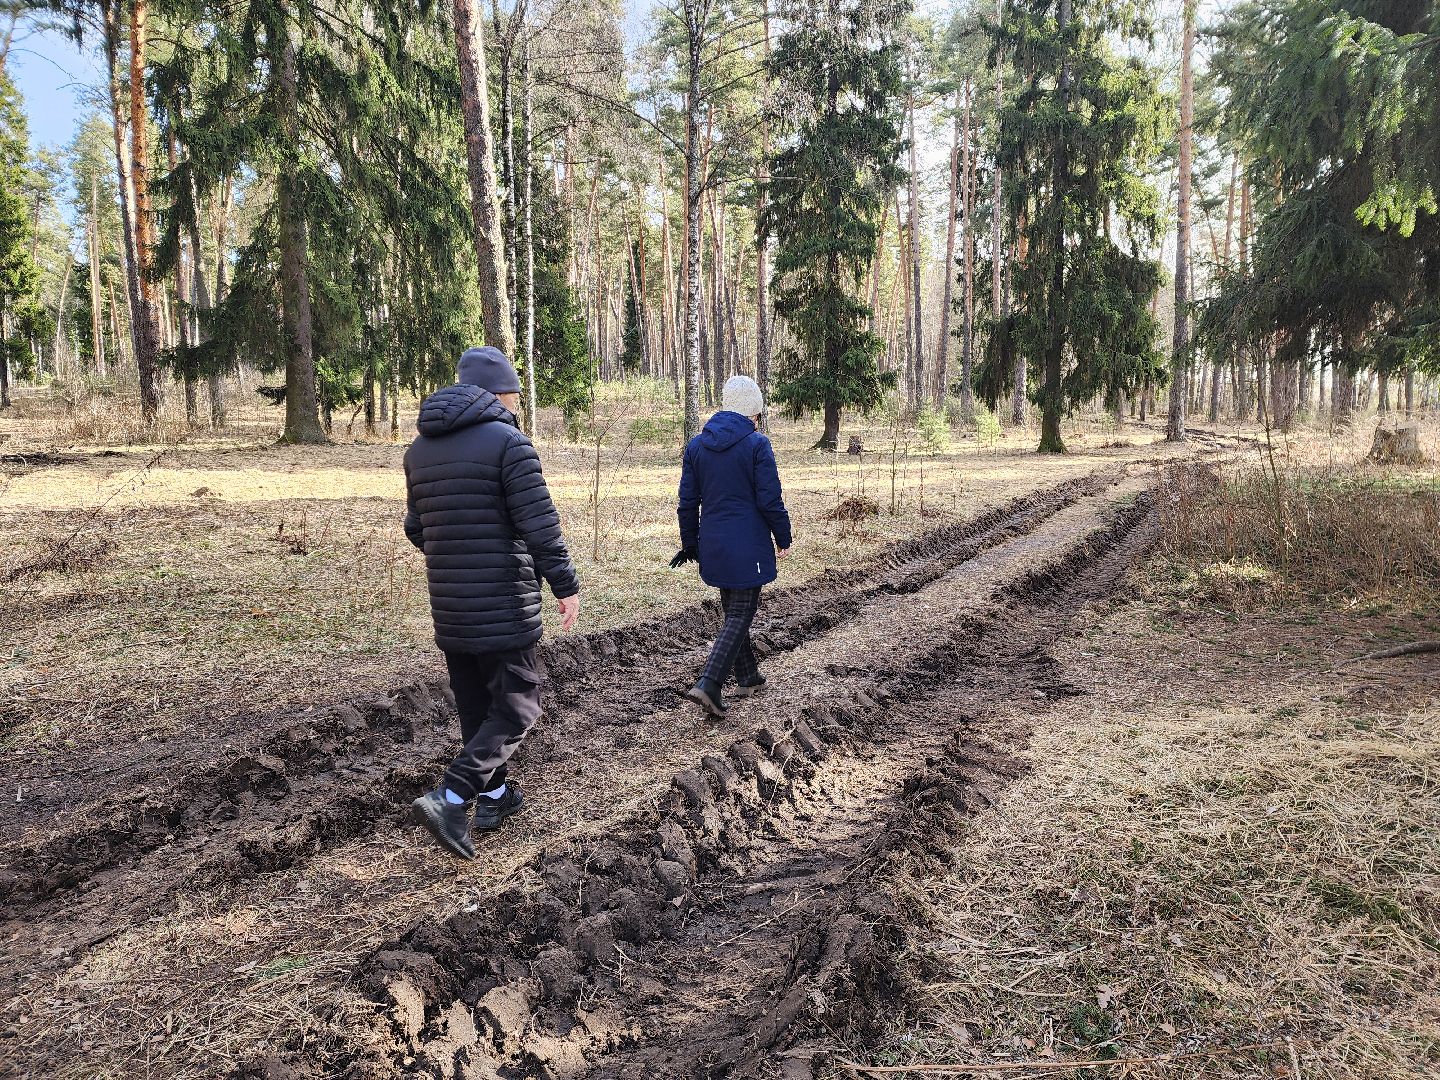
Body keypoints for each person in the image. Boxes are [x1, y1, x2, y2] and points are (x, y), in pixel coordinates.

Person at [403, 345, 581, 860]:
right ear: (497, 393)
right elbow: (539, 525)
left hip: (451, 606)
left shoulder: (419, 450)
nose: (517, 404)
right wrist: (564, 585)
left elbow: (418, 529)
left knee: (479, 706)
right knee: (520, 706)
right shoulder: (509, 444)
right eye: (514, 395)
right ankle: (454, 796)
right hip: (502, 602)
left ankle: (496, 797)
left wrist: (457, 555)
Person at [673, 375, 792, 719]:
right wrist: (782, 537)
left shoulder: (696, 446)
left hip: (714, 545)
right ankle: (709, 682)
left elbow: (686, 502)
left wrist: (691, 543)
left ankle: (748, 676)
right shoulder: (757, 445)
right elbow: (770, 499)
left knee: (733, 612)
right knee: (741, 614)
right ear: (753, 414)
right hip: (748, 547)